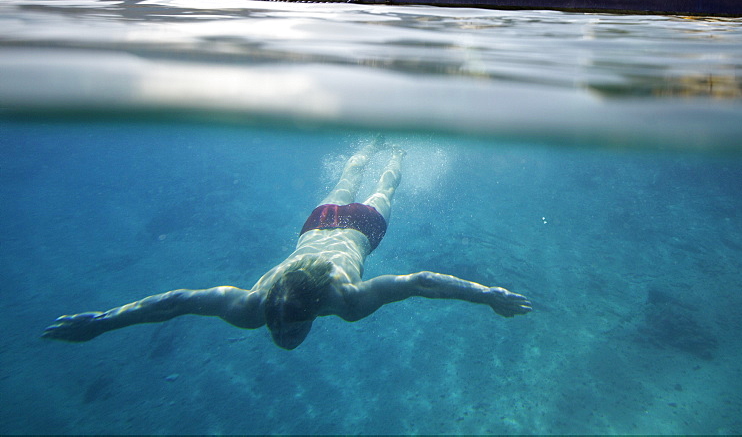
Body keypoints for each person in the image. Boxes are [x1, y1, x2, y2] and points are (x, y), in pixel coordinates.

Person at [42, 139, 531, 350]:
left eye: (284, 331)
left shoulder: (342, 301)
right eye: (284, 330)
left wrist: (491, 297)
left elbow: (175, 303)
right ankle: (388, 150)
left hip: (348, 227)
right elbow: (173, 302)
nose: (283, 336)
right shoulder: (255, 307)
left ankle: (388, 150)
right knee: (366, 184)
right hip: (318, 226)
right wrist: (102, 323)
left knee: (377, 188)